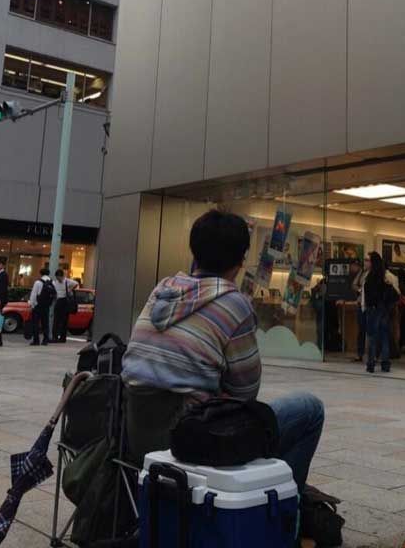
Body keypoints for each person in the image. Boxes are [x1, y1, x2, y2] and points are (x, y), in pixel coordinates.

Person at [122, 210, 324, 491]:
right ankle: (286, 514)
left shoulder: (162, 290)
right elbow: (246, 395)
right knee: (310, 409)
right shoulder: (234, 303)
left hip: (138, 437)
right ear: (241, 260)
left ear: (194, 251)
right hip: (195, 441)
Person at [363, 251, 395, 373]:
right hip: (383, 310)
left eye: (368, 260)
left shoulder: (371, 277)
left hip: (374, 309)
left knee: (372, 337)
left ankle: (371, 363)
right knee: (384, 337)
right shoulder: (383, 276)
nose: (366, 262)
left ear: (373, 262)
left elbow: (370, 295)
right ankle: (385, 364)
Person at [29, 268, 56, 346]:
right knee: (45, 323)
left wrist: (31, 304)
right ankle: (45, 340)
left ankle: (36, 340)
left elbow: (34, 294)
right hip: (46, 306)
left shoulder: (38, 282)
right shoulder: (52, 282)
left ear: (40, 273)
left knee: (35, 323)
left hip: (38, 305)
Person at [52, 269, 78, 343]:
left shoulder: (67, 281)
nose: (58, 279)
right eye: (57, 277)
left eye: (59, 277)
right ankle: (55, 337)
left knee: (64, 321)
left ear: (62, 276)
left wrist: (69, 290)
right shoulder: (55, 282)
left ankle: (63, 338)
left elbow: (76, 283)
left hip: (65, 301)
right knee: (56, 320)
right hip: (58, 301)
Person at [350, 258, 367, 362]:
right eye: (365, 260)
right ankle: (360, 353)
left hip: (369, 305)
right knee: (361, 330)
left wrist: (361, 288)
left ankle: (373, 354)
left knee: (371, 331)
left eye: (368, 260)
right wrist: (360, 289)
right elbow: (354, 285)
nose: (366, 262)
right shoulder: (361, 272)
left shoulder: (373, 273)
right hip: (361, 303)